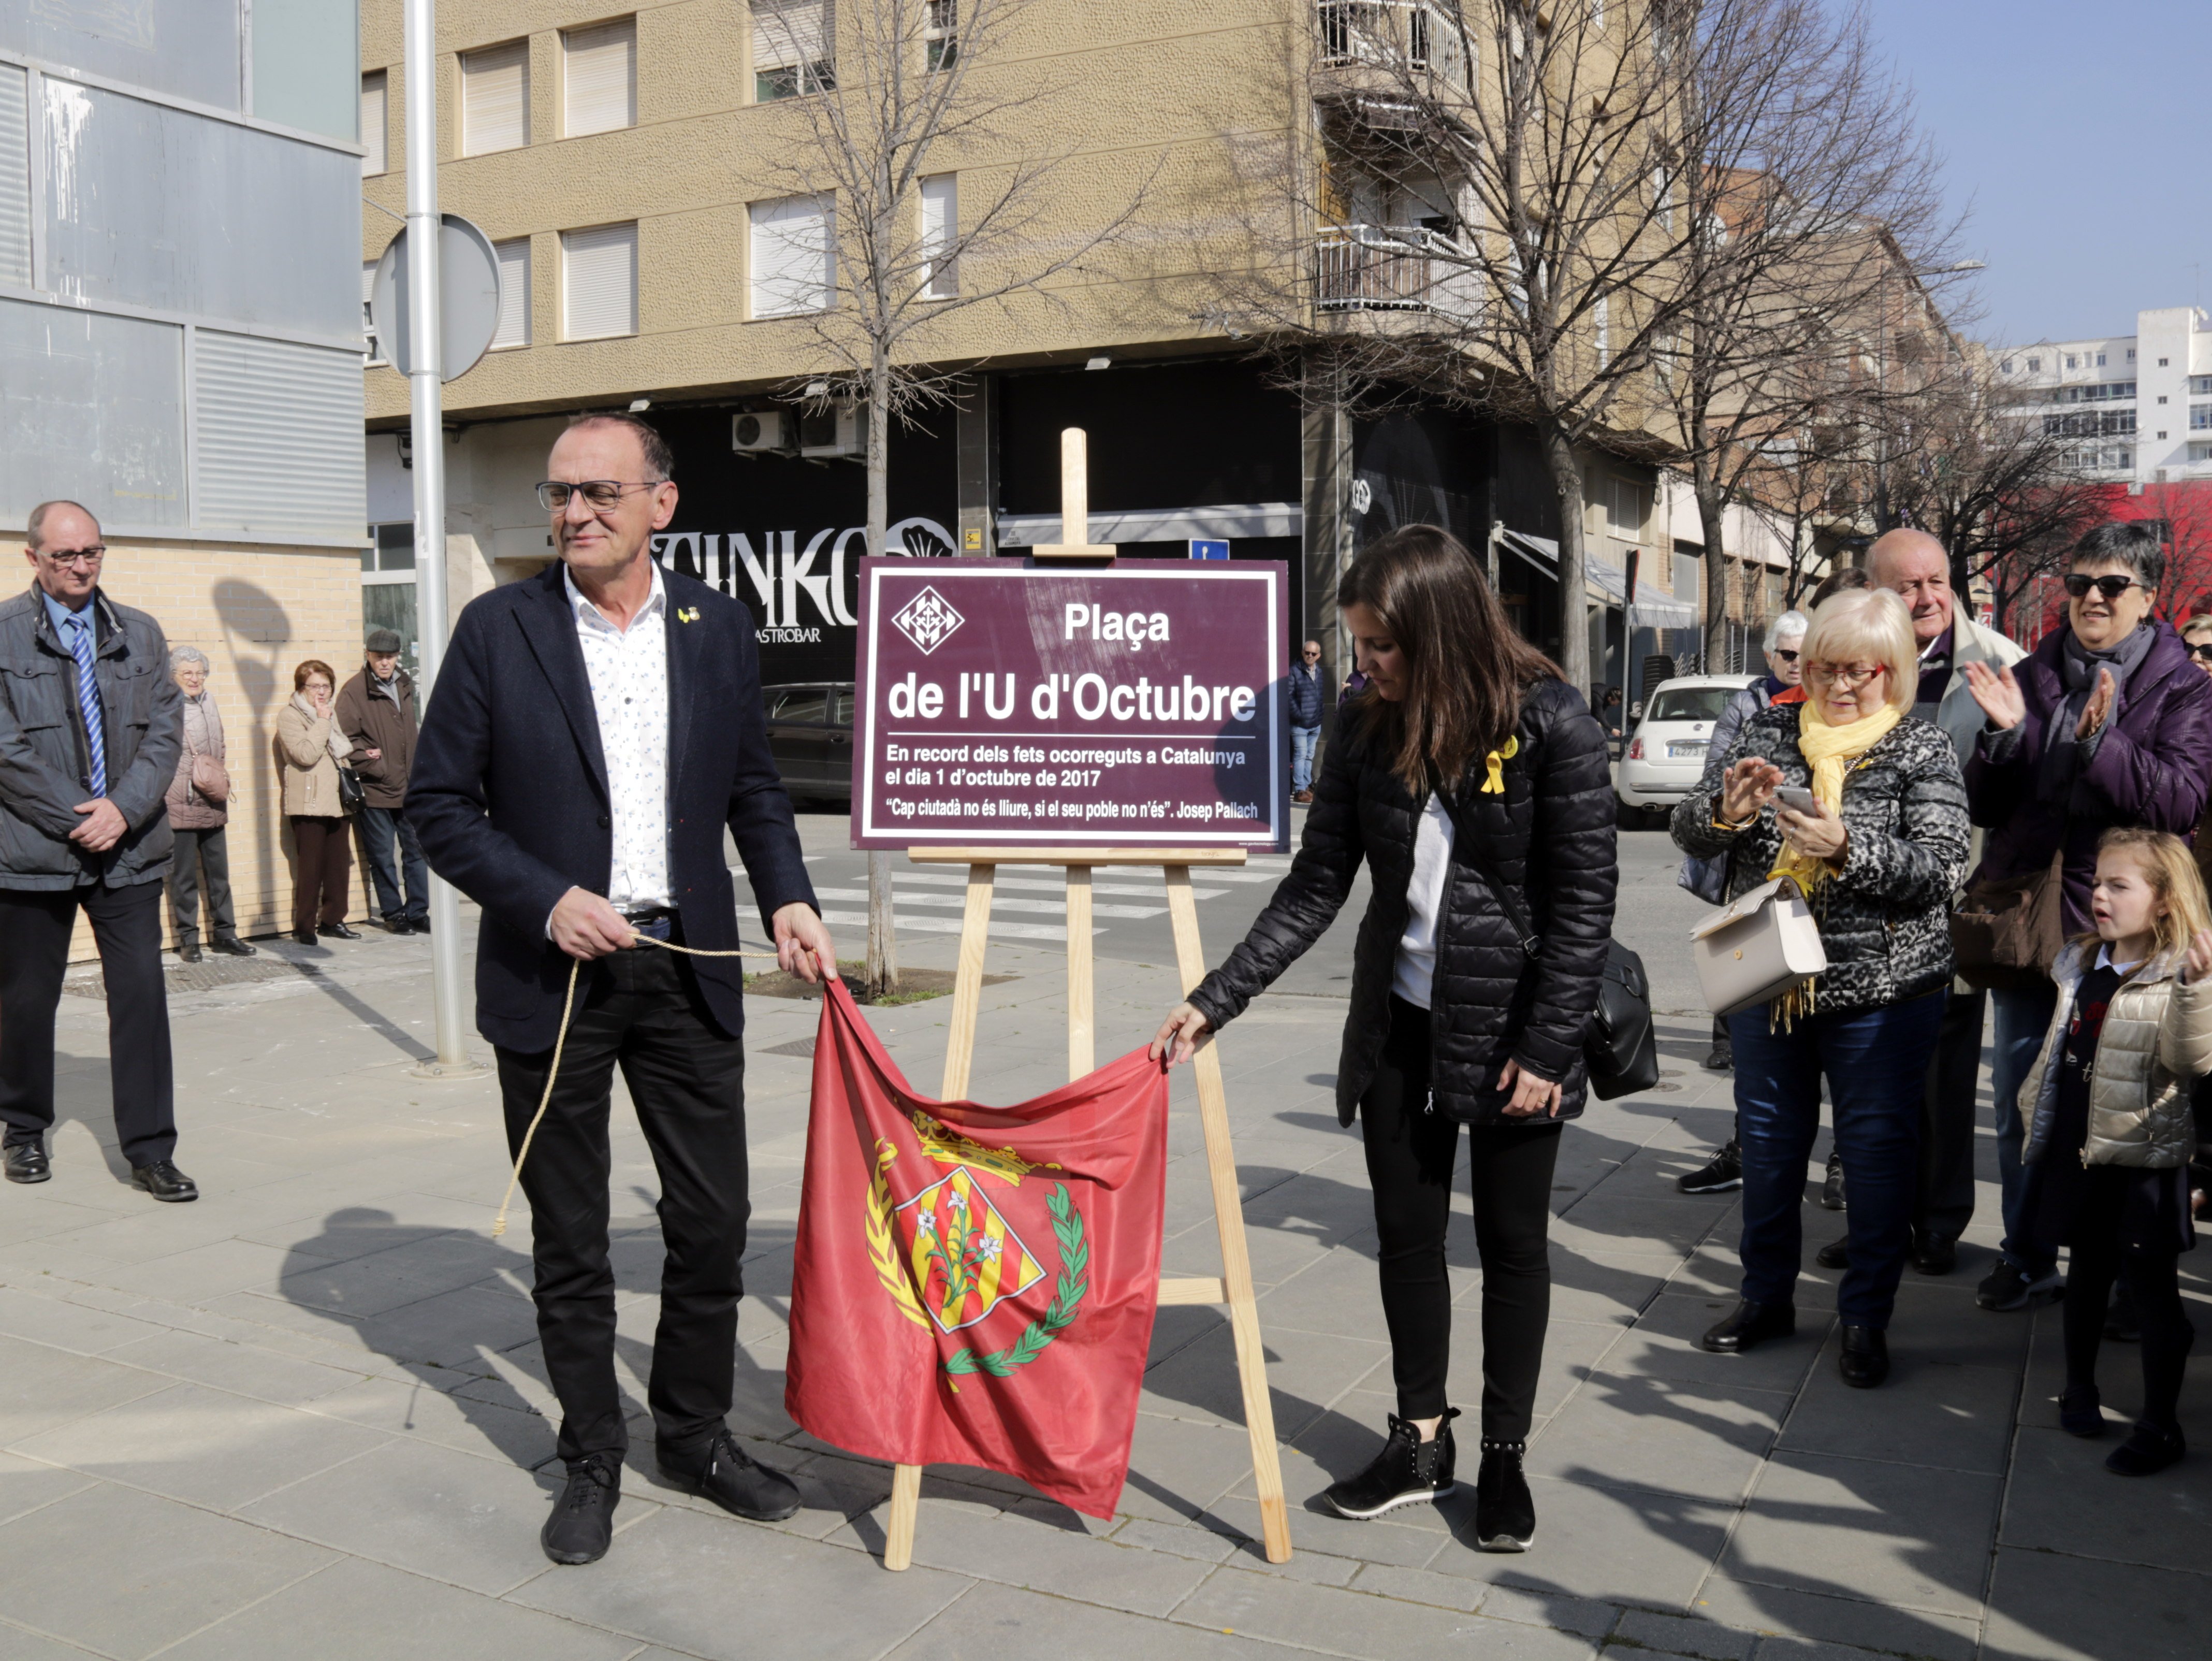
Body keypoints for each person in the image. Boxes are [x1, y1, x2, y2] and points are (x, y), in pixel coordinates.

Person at [410, 413, 837, 1568]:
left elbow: (755, 786)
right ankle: (592, 1453)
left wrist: (788, 896)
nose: (575, 512)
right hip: (554, 977)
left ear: (663, 502)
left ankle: (691, 1434)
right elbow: (439, 806)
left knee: (712, 1224)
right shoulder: (498, 631)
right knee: (571, 1238)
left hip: (686, 968)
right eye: (559, 494)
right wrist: (545, 898)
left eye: (601, 491)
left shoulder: (715, 626)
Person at [1148, 524, 1617, 1553]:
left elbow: (1584, 904)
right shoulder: (1363, 728)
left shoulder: (1550, 725)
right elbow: (1317, 885)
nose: (1366, 664)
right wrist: (1213, 997)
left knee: (1512, 1247)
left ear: (1445, 632)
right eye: (1359, 644)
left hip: (1512, 1033)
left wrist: (1545, 1052)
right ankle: (1420, 1438)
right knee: (1406, 1239)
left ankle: (1503, 1457)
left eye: (1385, 647)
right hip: (1399, 1026)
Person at [1674, 588, 1969, 1388]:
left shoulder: (1920, 748)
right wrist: (1726, 813)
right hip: (1769, 980)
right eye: (1822, 669)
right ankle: (1765, 1298)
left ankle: (1865, 1315)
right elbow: (1689, 826)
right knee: (1768, 1151)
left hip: (1883, 992)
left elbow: (1942, 871)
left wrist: (1848, 848)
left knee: (1875, 1157)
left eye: (1856, 671)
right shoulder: (1771, 728)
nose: (1838, 687)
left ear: (1894, 671)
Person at [1962, 520, 2212, 1313]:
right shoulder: (2033, 675)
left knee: (2132, 1108)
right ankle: (2027, 1253)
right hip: (2039, 924)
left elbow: (2179, 800)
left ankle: (2126, 1274)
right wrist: (2003, 742)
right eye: (2078, 584)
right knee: (2022, 1103)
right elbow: (1989, 805)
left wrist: (2097, 737)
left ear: (2147, 595)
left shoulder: (2186, 686)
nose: (2090, 599)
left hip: (2134, 935)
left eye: (2110, 586)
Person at [1817, 527, 2027, 1279]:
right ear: (1874, 590)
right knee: (1867, 1083)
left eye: (1937, 580)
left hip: (1953, 907)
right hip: (1856, 916)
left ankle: (1938, 1221)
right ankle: (1879, 1220)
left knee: (1942, 1080)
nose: (1929, 597)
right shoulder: (1851, 665)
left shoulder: (2002, 663)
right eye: (1908, 586)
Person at [0, 501, 195, 1200]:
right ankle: (22, 1127)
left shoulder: (140, 633)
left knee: (141, 997)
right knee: (25, 1001)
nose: (81, 566)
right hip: (33, 853)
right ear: (33, 558)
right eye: (65, 556)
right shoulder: (2, 634)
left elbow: (164, 735)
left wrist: (123, 810)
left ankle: (149, 1149)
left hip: (129, 852)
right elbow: (6, 749)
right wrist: (79, 816)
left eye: (92, 553)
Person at [2018, 828, 2210, 1476]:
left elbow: (2190, 1061)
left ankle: (2160, 1425)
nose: (2099, 895)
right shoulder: (2081, 964)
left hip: (2144, 1165)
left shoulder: (2181, 974)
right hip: (2079, 1152)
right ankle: (2079, 1387)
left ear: (2163, 901)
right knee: (2086, 1275)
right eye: (2097, 883)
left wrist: (2195, 993)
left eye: (2119, 886)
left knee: (2154, 1293)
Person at [1677, 611, 1807, 1191]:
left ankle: (1838, 1169)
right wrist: (1734, 804)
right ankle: (1745, 1152)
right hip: (1759, 901)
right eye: (1789, 656)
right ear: (1769, 657)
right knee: (1753, 1047)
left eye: (1810, 655)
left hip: (1832, 922)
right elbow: (1707, 795)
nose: (1799, 667)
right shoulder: (1752, 712)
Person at [163, 646, 255, 963]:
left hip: (212, 800)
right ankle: (189, 939)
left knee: (219, 875)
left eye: (199, 672)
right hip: (181, 802)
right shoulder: (165, 705)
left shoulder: (210, 701)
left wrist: (215, 777)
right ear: (173, 675)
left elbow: (221, 742)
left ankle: (226, 934)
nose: (194, 678)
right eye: (187, 673)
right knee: (184, 877)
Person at [337, 629, 428, 934]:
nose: (384, 663)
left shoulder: (404, 684)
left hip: (408, 787)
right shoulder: (353, 691)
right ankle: (394, 913)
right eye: (378, 657)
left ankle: (418, 911)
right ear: (368, 656)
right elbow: (344, 740)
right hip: (376, 789)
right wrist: (374, 765)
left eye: (389, 657)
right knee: (382, 857)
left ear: (398, 657)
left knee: (416, 852)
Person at [277, 660, 360, 949]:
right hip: (309, 801)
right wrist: (323, 721)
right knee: (311, 868)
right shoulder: (289, 716)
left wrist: (326, 719)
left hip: (337, 798)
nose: (322, 692)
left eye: (326, 686)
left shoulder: (328, 713)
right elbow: (305, 754)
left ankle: (333, 920)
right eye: (315, 686)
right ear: (302, 688)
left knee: (338, 866)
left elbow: (341, 750)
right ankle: (305, 927)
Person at [1289, 638, 1324, 804]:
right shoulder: (1294, 671)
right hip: (1300, 725)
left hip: (1315, 724)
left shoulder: (1320, 672)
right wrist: (1299, 715)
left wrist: (1320, 714)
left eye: (1313, 654)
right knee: (1301, 755)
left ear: (1319, 656)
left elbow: (1320, 696)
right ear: (1303, 653)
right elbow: (1289, 696)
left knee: (1309, 756)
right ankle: (1299, 789)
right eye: (1307, 652)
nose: (1309, 656)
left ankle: (1307, 786)